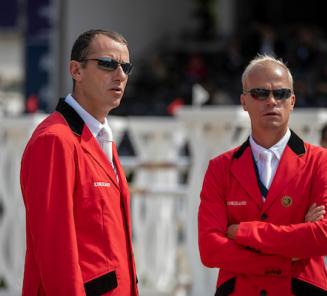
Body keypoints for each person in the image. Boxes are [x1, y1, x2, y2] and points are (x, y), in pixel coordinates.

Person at [20, 29, 138, 295]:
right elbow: (54, 248)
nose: (120, 75)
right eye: (108, 64)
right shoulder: (54, 140)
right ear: (76, 70)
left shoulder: (101, 136)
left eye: (126, 67)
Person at [198, 54, 327, 296]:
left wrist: (243, 232)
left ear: (292, 101)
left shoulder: (321, 161)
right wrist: (286, 254)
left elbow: (323, 235)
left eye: (281, 94)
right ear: (244, 101)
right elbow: (210, 249)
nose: (272, 101)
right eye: (260, 93)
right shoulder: (220, 167)